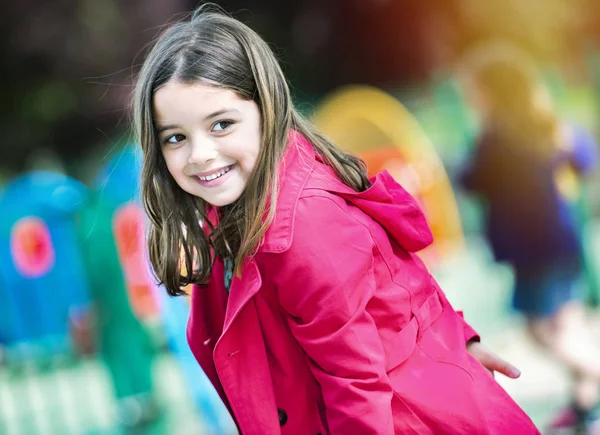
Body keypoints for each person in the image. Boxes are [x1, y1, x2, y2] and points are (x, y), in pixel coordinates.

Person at [133, 5, 539, 434]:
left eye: (221, 125)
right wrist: (458, 337)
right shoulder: (241, 202)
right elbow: (390, 272)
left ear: (265, 110)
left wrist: (453, 340)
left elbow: (355, 383)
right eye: (176, 137)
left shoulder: (301, 225)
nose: (199, 154)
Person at [461, 59, 600, 433]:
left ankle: (595, 376)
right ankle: (585, 405)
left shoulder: (496, 135)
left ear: (491, 93)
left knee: (538, 329)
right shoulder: (544, 124)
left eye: (472, 92)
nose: (469, 100)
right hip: (562, 239)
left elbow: (473, 179)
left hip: (535, 248)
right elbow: (585, 158)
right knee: (565, 323)